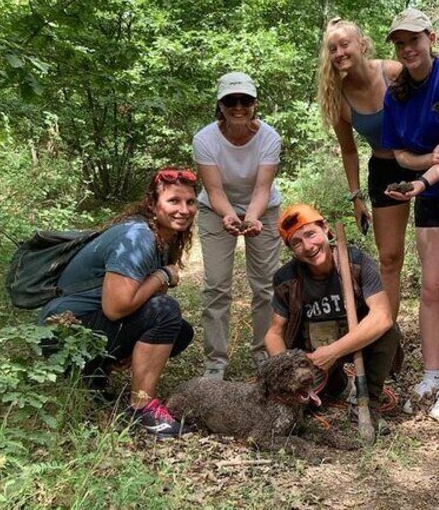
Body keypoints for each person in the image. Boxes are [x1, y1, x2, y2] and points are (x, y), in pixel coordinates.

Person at [40, 168, 199, 437]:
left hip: (81, 330)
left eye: (190, 202)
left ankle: (93, 381)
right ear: (152, 204)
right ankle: (143, 407)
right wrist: (163, 274)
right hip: (62, 335)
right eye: (174, 201)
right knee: (165, 312)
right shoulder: (137, 236)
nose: (184, 209)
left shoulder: (159, 236)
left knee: (180, 331)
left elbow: (148, 299)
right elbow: (116, 308)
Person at [381, 8, 439, 420]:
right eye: (400, 43)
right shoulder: (395, 92)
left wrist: (421, 181)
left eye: (413, 40)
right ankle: (432, 373)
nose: (407, 49)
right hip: (429, 191)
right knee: (431, 287)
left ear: (430, 38)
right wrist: (421, 168)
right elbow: (398, 153)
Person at [265, 204, 401, 433]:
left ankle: (368, 401)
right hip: (311, 354)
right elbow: (274, 333)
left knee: (389, 332)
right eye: (297, 242)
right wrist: (286, 369)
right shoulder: (286, 279)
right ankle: (334, 384)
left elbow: (382, 315)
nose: (308, 247)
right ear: (291, 250)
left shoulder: (356, 262)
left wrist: (334, 351)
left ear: (325, 229)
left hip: (354, 345)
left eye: (310, 234)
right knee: (299, 406)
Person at [316, 18, 412, 323]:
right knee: (389, 257)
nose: (340, 52)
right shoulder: (338, 97)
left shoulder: (394, 73)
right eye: (333, 48)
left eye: (346, 44)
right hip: (385, 169)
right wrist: (356, 197)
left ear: (363, 44)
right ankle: (388, 334)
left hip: (428, 161)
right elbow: (349, 150)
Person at [193, 72, 282, 377]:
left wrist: (253, 217)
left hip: (264, 209)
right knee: (217, 285)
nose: (239, 106)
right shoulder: (204, 139)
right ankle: (215, 362)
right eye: (231, 100)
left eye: (245, 100)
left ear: (255, 103)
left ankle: (264, 353)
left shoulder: (270, 138)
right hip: (215, 209)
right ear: (220, 104)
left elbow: (262, 189)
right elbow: (215, 191)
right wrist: (229, 216)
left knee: (267, 285)